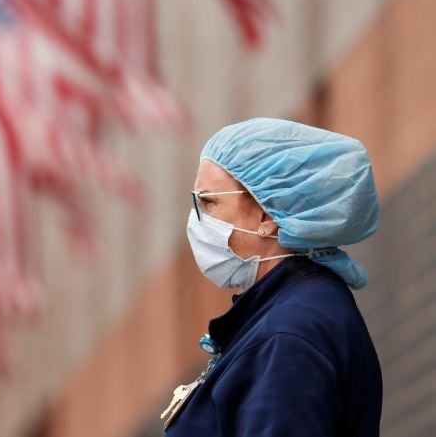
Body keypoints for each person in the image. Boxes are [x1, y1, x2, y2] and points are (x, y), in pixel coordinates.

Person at [162, 117, 383, 437]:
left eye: (209, 202)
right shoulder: (283, 318)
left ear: (266, 213)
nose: (197, 221)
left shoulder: (289, 332)